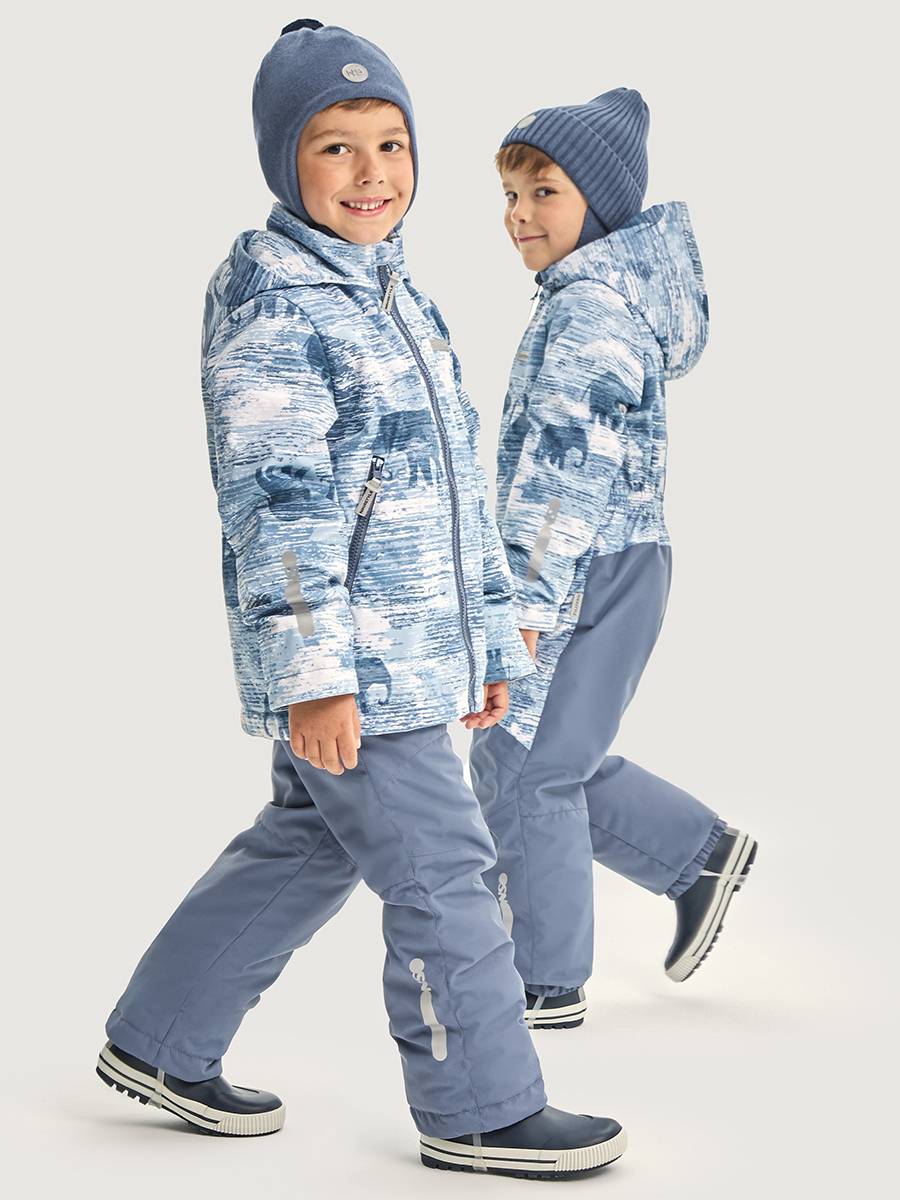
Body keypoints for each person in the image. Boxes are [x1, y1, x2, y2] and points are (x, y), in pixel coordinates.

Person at [96, 21, 627, 1179]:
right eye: (335, 147)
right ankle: (479, 1107)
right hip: (355, 668)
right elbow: (277, 508)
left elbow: (449, 497)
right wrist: (317, 679)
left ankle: (159, 1038)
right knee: (443, 870)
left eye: (392, 143)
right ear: (285, 162)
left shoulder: (393, 294)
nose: (372, 172)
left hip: (415, 653)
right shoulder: (276, 308)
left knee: (306, 843)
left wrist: (489, 645)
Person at [469, 88, 758, 1032]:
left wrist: (526, 603)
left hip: (586, 565)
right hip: (612, 559)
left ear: (599, 203)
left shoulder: (590, 312)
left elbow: (565, 469)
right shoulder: (589, 300)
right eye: (510, 194)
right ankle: (696, 855)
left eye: (543, 192)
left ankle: (544, 980)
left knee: (525, 761)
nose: (519, 215)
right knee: (544, 751)